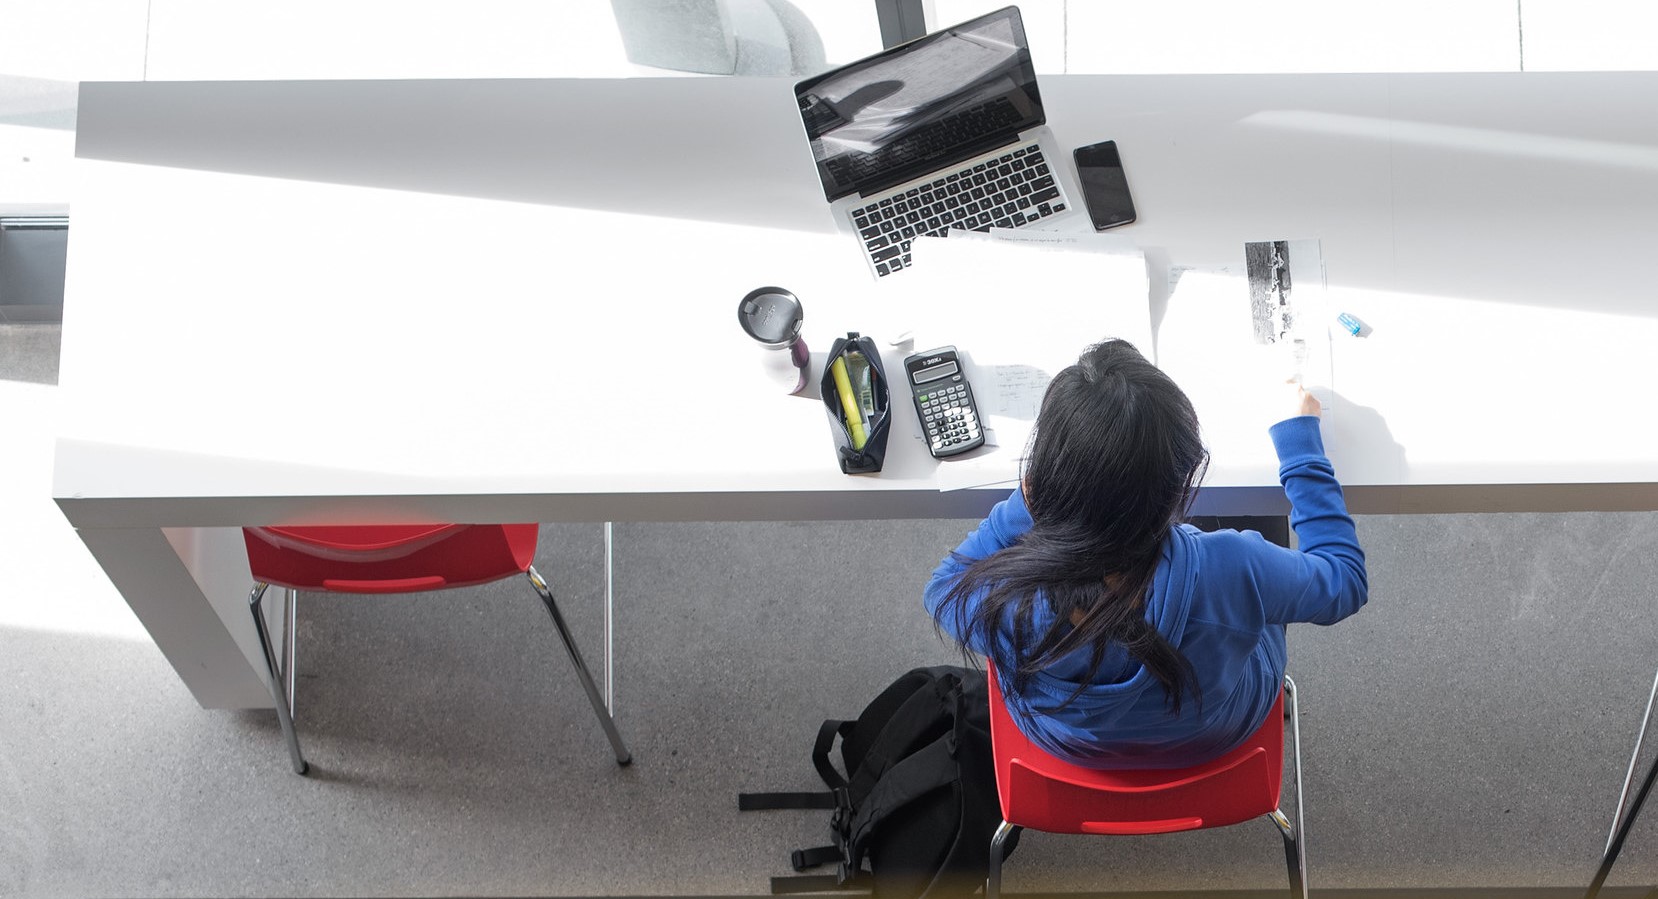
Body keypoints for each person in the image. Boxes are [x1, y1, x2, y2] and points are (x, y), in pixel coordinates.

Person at [924, 338, 1366, 769]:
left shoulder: (1007, 608)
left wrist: (1026, 507)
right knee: (1263, 526)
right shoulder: (1232, 566)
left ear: (1043, 480)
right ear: (1178, 490)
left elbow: (941, 588)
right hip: (1216, 730)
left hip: (1068, 745)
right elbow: (1344, 579)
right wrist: (1301, 447)